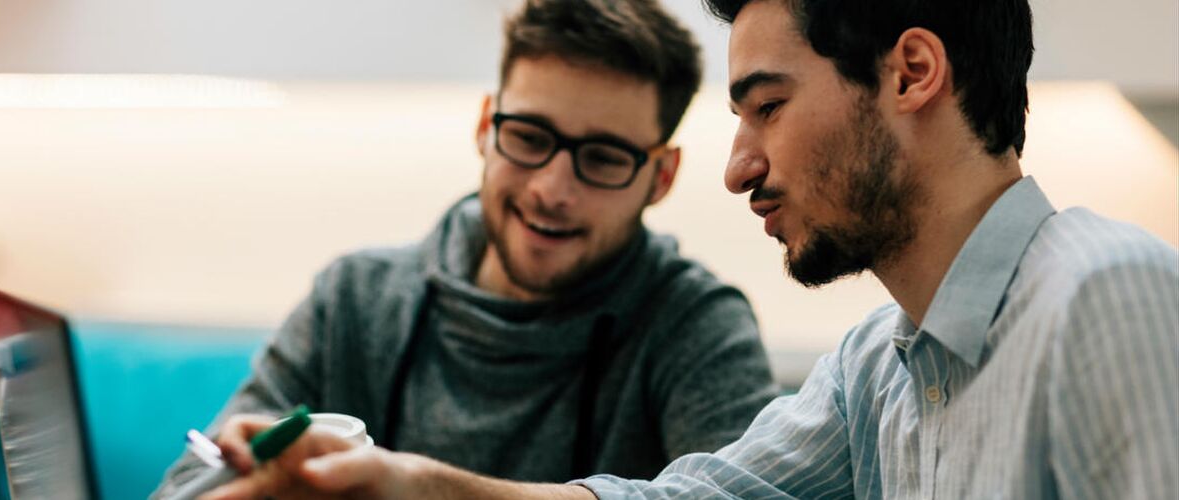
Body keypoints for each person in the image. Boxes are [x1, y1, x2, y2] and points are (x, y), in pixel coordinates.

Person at [197, 0, 1179, 498]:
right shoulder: (876, 363)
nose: (739, 164)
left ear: (911, 72)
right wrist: (415, 486)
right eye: (529, 140)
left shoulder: (1104, 293)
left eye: (767, 105)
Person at [151, 0, 782, 496]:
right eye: (530, 137)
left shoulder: (696, 328)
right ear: (486, 127)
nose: (551, 189)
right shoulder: (356, 299)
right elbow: (189, 484)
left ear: (660, 177)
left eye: (603, 157)